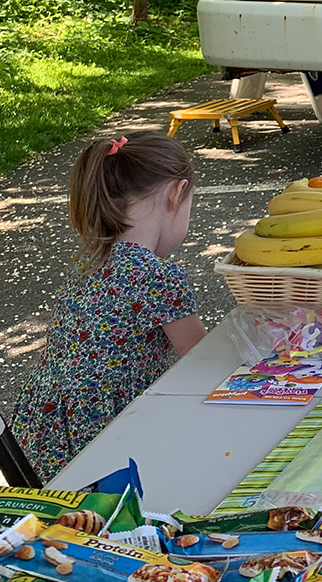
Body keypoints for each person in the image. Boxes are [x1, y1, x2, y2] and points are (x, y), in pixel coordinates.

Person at [13, 133, 206, 480]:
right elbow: (203, 359)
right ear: (176, 194)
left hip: (47, 425)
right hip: (111, 428)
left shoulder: (90, 259)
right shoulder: (158, 276)